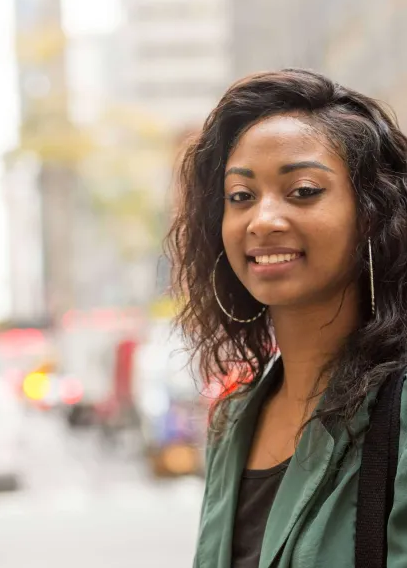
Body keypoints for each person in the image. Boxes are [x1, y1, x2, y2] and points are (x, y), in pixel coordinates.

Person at [167, 69, 407, 567]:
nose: (263, 220)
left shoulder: (400, 408)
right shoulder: (232, 423)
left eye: (302, 191)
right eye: (241, 196)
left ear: (372, 214)